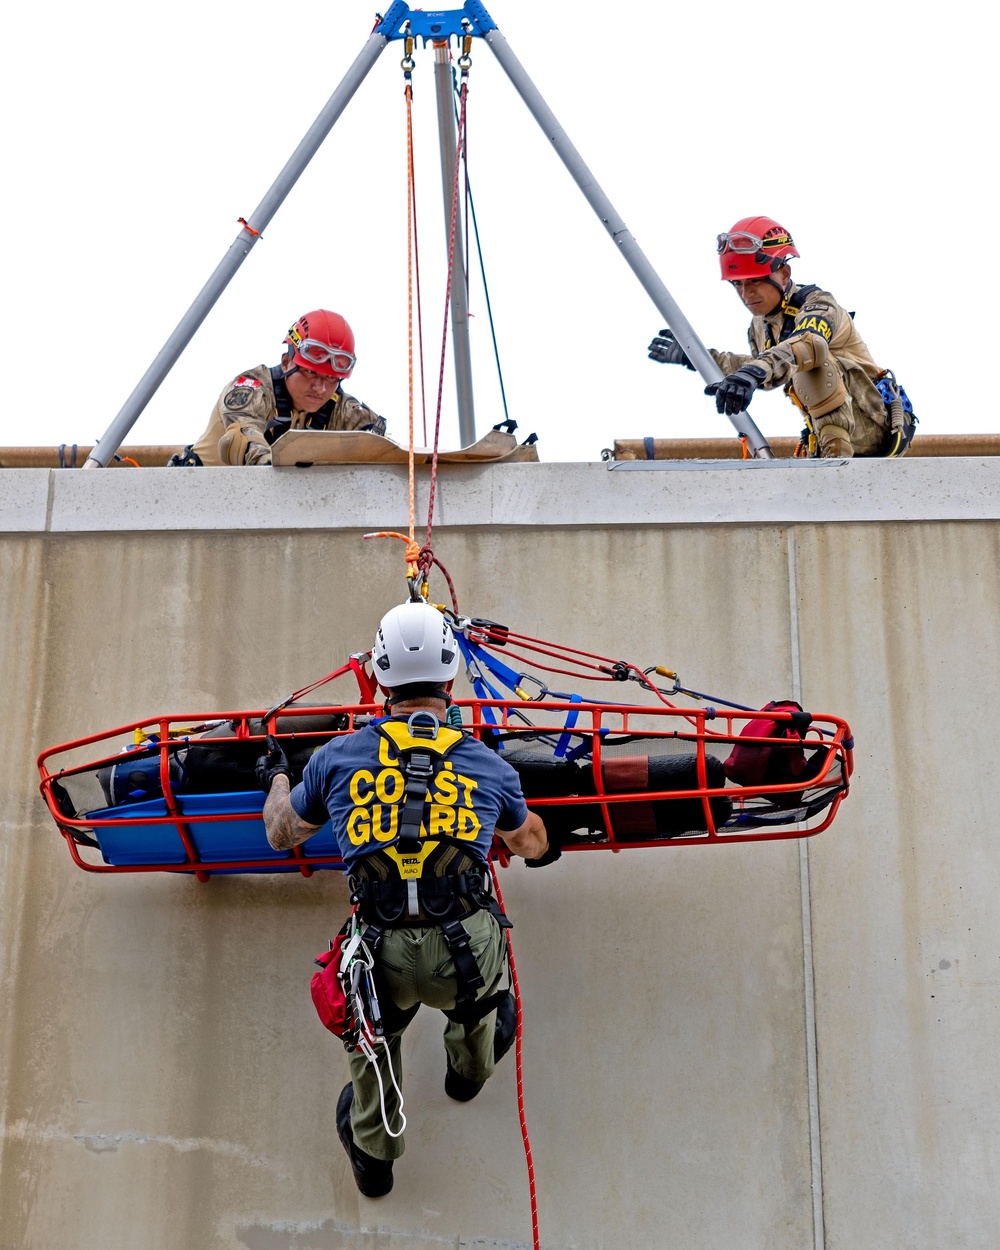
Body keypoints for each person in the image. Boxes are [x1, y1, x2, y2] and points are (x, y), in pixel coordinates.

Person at [257, 600, 554, 1197]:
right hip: (464, 952)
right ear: (450, 678)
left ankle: (374, 1155)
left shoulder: (337, 759)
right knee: (482, 1009)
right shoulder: (485, 764)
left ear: (381, 679)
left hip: (378, 955)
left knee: (373, 1040)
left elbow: (280, 833)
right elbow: (531, 842)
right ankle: (468, 1074)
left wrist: (278, 776)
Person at [649, 217, 914, 458]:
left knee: (810, 358)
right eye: (738, 284)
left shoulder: (819, 303)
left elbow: (809, 344)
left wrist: (751, 373)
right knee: (784, 363)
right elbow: (767, 371)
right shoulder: (759, 326)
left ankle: (837, 472)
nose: (746, 293)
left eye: (754, 281)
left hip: (875, 423)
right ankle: (830, 459)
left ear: (784, 274)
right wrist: (699, 359)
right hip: (831, 436)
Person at [191, 309, 387, 466]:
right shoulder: (255, 390)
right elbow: (242, 436)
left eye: (330, 378)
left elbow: (378, 446)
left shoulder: (341, 409)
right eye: (311, 373)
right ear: (286, 362)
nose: (320, 388)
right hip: (199, 498)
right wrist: (266, 463)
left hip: (280, 509)